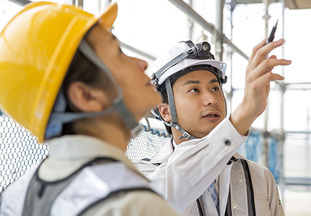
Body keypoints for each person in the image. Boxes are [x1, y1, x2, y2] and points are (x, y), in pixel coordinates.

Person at [0, 2, 178, 216]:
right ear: (87, 96)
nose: (142, 62)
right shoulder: (133, 206)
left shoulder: (16, 195)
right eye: (119, 52)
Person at [136, 39, 291, 215]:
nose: (212, 99)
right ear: (166, 112)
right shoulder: (144, 176)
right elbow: (168, 192)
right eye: (194, 90)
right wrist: (245, 112)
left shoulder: (261, 177)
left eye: (215, 88)